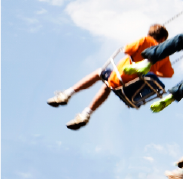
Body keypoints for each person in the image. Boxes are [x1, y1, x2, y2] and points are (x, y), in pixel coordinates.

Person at [48, 23, 176, 129]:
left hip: (121, 78)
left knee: (100, 72)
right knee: (107, 86)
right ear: (163, 39)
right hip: (134, 90)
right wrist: (152, 70)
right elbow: (169, 74)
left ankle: (67, 94)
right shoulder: (164, 55)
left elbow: (126, 49)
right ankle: (86, 114)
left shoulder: (145, 40)